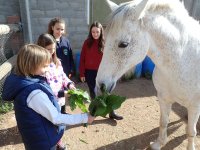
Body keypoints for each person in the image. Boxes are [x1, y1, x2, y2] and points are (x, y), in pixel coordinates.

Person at [2, 44, 95, 150]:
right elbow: (56, 118)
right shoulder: (33, 93)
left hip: (37, 137)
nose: (48, 69)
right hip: (43, 143)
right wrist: (85, 118)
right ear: (31, 66)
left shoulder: (26, 81)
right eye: (44, 66)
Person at [79, 21, 123, 120]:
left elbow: (111, 58)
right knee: (93, 92)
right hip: (89, 71)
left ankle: (111, 112)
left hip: (102, 72)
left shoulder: (105, 42)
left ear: (101, 32)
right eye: (93, 32)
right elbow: (82, 58)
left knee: (106, 93)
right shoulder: (87, 43)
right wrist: (82, 73)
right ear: (90, 32)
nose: (95, 34)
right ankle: (94, 112)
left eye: (97, 32)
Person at [37, 33, 74, 114]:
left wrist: (69, 84)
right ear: (41, 49)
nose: (52, 51)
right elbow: (44, 88)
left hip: (60, 100)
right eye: (48, 49)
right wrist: (61, 93)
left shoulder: (57, 61)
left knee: (60, 116)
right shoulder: (39, 68)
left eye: (53, 48)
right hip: (49, 102)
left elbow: (63, 76)